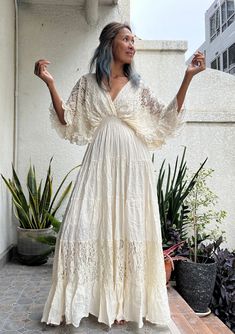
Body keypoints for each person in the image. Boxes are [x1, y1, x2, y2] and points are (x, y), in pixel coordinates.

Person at [34, 22, 205, 330]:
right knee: (80, 227)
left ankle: (126, 302)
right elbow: (67, 118)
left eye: (133, 40)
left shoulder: (137, 87)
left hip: (132, 164)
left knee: (130, 227)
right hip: (99, 162)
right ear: (109, 43)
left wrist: (187, 77)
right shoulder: (88, 83)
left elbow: (166, 117)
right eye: (126, 39)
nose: (131, 45)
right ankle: (88, 299)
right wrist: (49, 82)